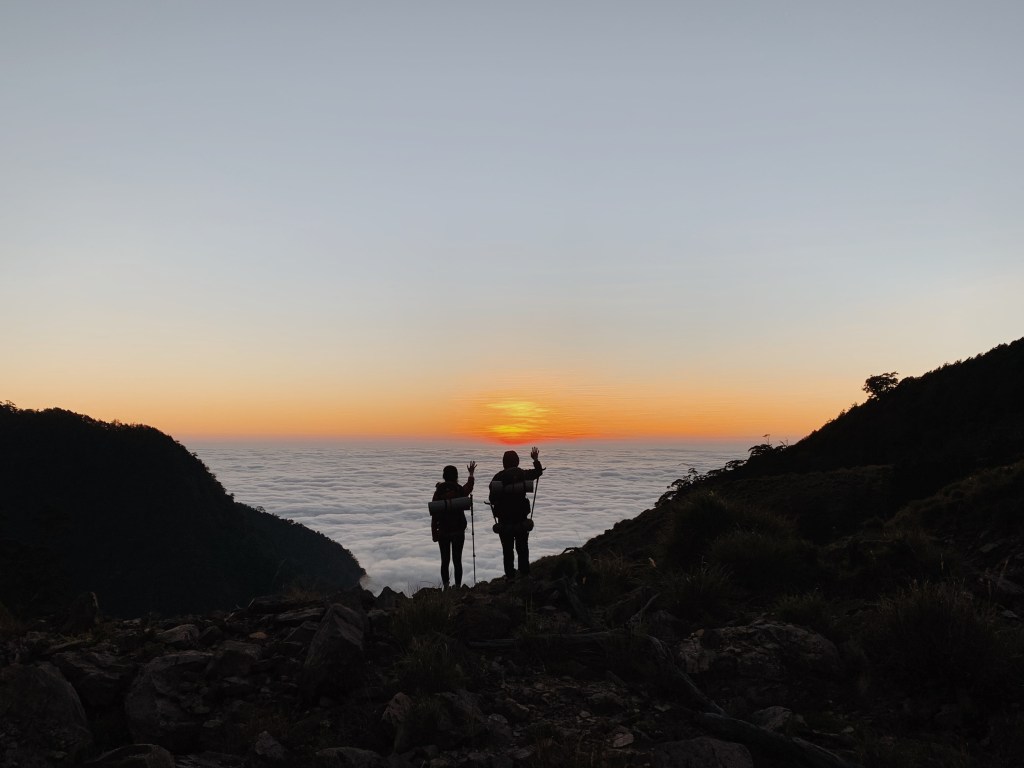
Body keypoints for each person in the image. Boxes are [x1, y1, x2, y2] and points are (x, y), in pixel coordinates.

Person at [489, 446, 544, 580]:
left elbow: (492, 499)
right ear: (517, 461)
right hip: (521, 518)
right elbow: (538, 472)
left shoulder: (498, 477)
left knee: (507, 550)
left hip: (504, 520)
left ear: (504, 462)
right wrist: (535, 459)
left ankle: (510, 577)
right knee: (522, 547)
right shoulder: (522, 474)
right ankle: (525, 574)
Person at [431, 460, 475, 589]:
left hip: (443, 531)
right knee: (457, 560)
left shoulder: (439, 491)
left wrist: (434, 533)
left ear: (444, 476)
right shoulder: (458, 489)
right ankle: (458, 586)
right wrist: (471, 474)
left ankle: (446, 586)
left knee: (445, 561)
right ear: (456, 476)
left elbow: (435, 513)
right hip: (458, 531)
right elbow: (469, 487)